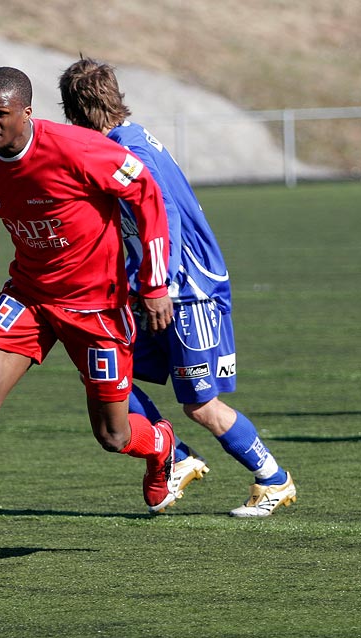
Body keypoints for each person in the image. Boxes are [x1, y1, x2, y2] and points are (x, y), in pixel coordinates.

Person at [0, 66, 176, 574]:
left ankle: (160, 443)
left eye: (0, 114)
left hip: (97, 306)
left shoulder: (76, 149)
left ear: (26, 113)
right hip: (29, 298)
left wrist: (155, 283)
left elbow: (145, 193)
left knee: (113, 437)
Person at [58, 57, 297, 517]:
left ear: (76, 112)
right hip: (153, 284)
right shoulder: (127, 139)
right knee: (109, 374)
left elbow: (162, 214)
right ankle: (179, 456)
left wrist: (159, 282)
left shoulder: (132, 152)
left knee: (201, 404)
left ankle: (274, 479)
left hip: (185, 289)